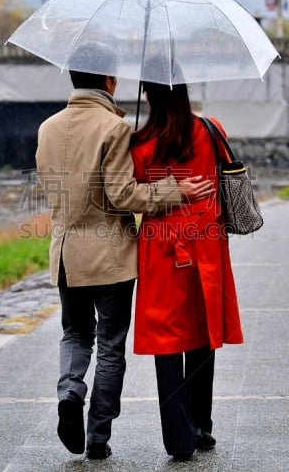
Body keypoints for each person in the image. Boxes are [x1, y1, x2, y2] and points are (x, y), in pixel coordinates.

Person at [34, 42, 214, 460]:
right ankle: (97, 437)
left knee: (75, 334)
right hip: (111, 258)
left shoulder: (47, 128)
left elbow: (55, 191)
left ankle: (68, 393)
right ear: (110, 80)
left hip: (65, 255)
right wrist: (174, 190)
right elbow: (122, 195)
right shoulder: (115, 128)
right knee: (110, 344)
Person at [130, 71, 244, 461]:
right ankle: (201, 424)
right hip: (207, 241)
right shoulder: (211, 129)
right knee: (202, 329)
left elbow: (135, 193)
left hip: (162, 247)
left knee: (167, 337)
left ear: (149, 95)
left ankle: (179, 438)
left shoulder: (141, 143)